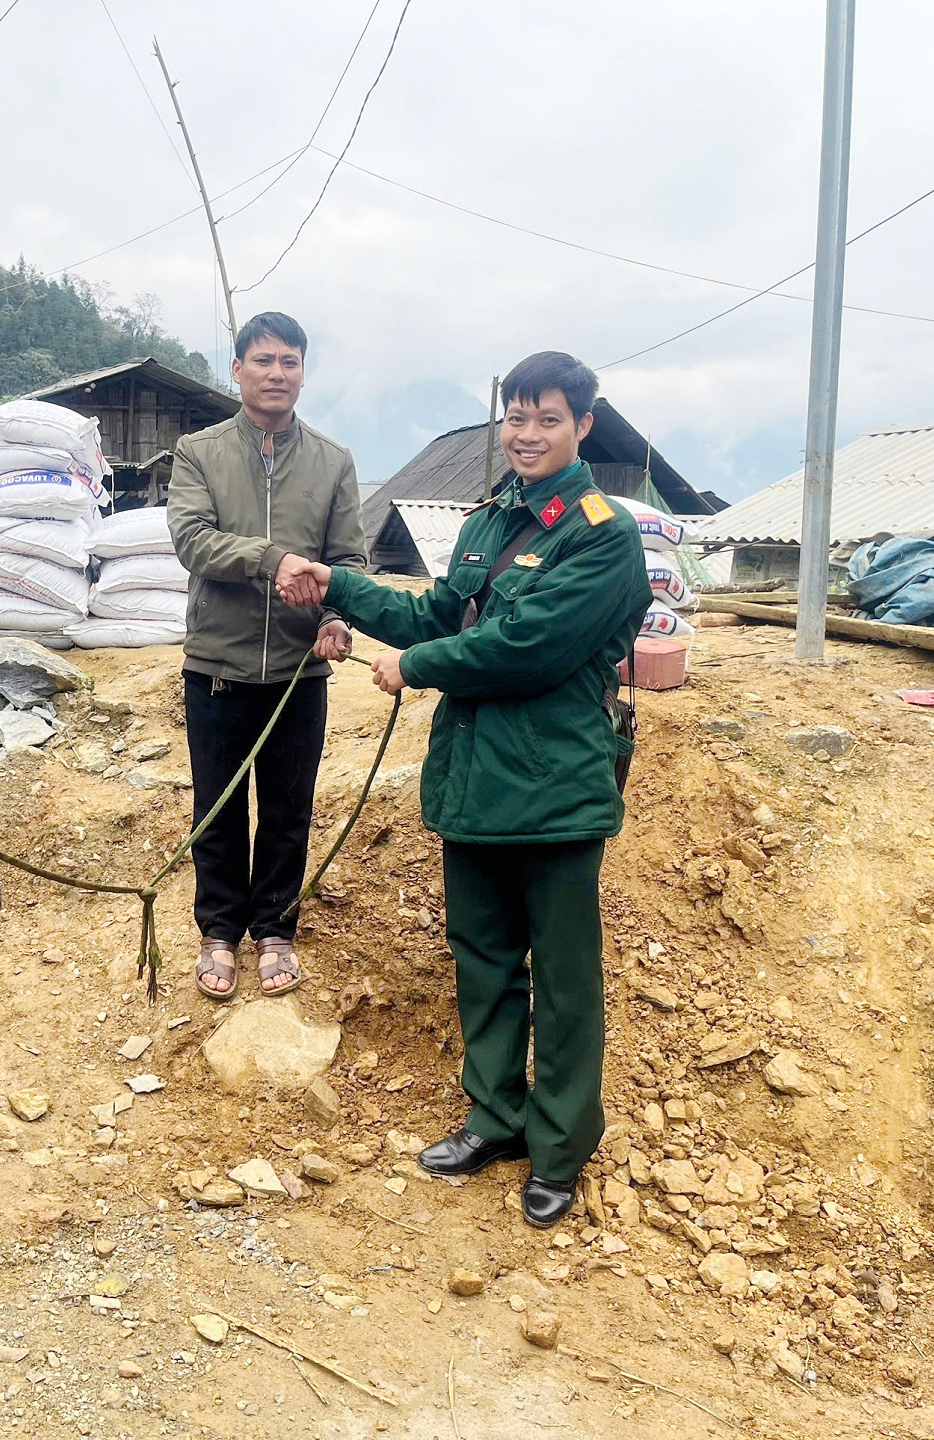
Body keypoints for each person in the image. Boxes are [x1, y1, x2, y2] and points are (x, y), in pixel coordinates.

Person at [278, 351, 651, 1228]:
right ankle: (496, 1118)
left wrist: (417, 667)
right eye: (516, 418)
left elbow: (529, 646)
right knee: (483, 959)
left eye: (547, 419)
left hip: (555, 791)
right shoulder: (489, 521)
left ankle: (558, 1148)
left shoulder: (603, 534)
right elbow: (439, 613)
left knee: (564, 979)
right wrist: (343, 585)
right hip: (477, 782)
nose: (527, 434)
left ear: (582, 426)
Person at [167, 311, 368, 1004]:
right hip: (217, 666)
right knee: (218, 807)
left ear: (303, 372)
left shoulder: (333, 461)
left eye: (289, 361)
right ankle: (220, 931)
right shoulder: (199, 452)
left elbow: (348, 561)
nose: (276, 373)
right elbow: (192, 539)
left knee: (288, 808)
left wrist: (335, 619)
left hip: (298, 670)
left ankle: (276, 930)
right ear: (238, 369)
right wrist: (271, 559)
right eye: (263, 360)